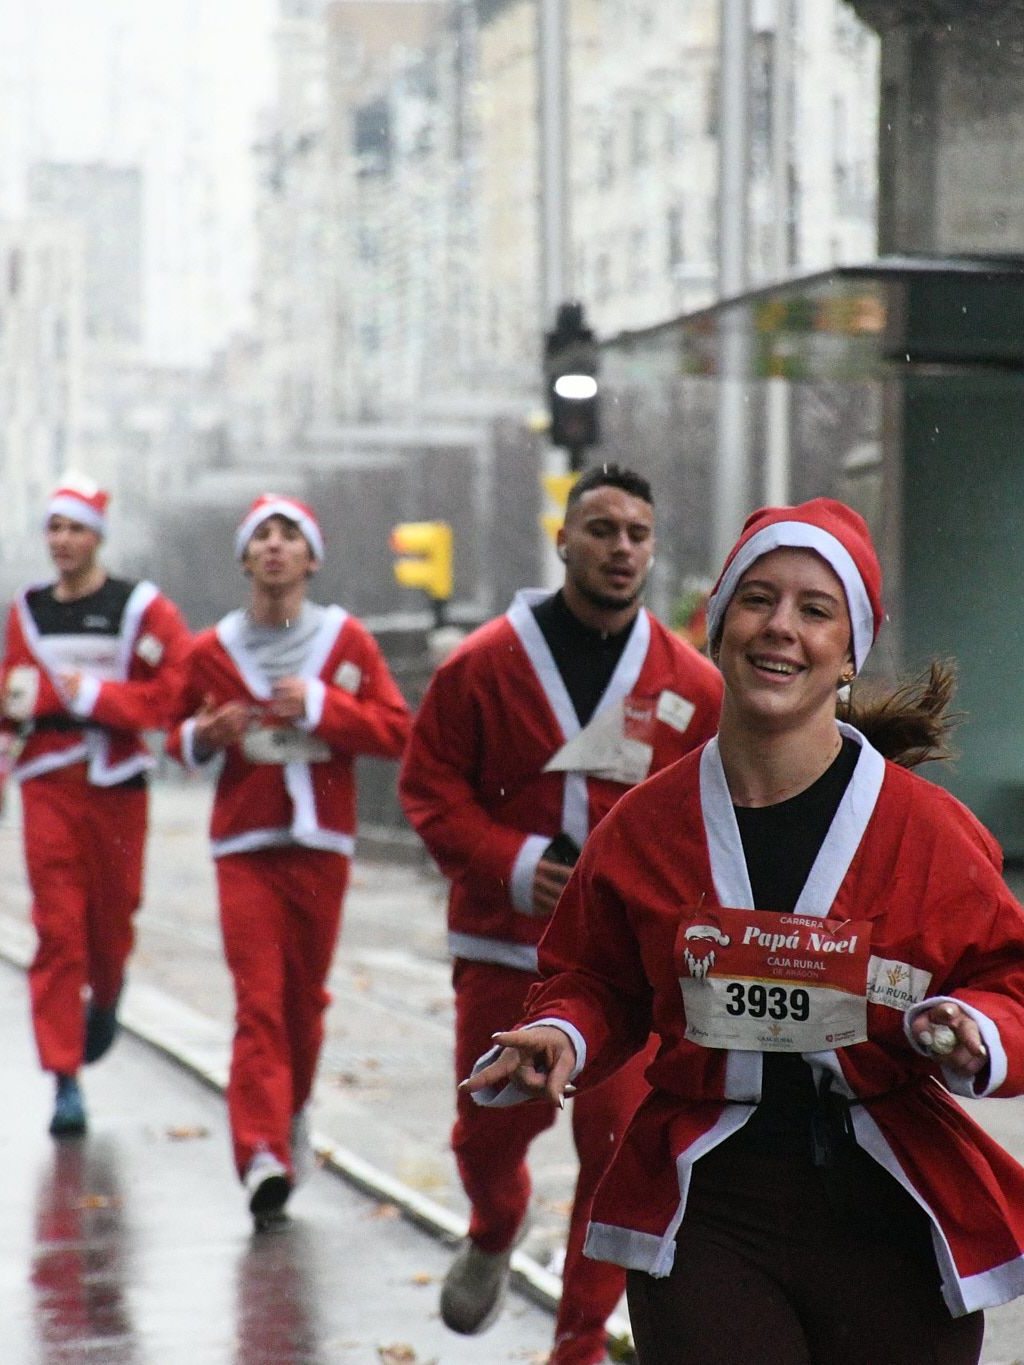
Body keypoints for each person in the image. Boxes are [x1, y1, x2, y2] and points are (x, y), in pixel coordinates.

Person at [461, 499, 1024, 1365]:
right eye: (756, 600)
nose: (779, 628)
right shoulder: (645, 827)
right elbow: (596, 976)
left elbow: (1019, 979)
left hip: (888, 1201)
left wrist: (973, 1030)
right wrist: (560, 1032)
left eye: (813, 609)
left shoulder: (926, 831)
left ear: (847, 655)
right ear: (718, 628)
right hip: (714, 1205)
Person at [399, 465, 722, 1365]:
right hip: (505, 946)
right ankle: (495, 1220)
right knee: (491, 1125)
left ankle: (579, 1340)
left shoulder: (690, 683)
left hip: (626, 967)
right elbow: (428, 787)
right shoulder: (481, 665)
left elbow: (716, 811)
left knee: (620, 1144)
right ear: (564, 539)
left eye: (638, 534)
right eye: (603, 529)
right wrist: (512, 863)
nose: (622, 548)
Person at [166, 494, 411, 1228]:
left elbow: (396, 730)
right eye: (261, 537)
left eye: (290, 536)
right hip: (244, 844)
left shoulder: (347, 642)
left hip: (322, 844)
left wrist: (322, 707)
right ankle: (262, 1152)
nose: (275, 547)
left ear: (312, 558)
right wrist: (204, 734)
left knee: (304, 1004)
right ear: (245, 559)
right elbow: (171, 737)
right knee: (259, 1002)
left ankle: (292, 1112)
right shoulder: (208, 650)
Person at [0, 473, 189, 1137]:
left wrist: (91, 695)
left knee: (112, 922)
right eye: (55, 528)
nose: (63, 540)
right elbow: (20, 693)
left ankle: (110, 995)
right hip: (48, 784)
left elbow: (170, 694)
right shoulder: (27, 609)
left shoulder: (142, 608)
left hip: (117, 781)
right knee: (57, 927)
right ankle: (64, 1077)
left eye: (76, 528)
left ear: (99, 536)